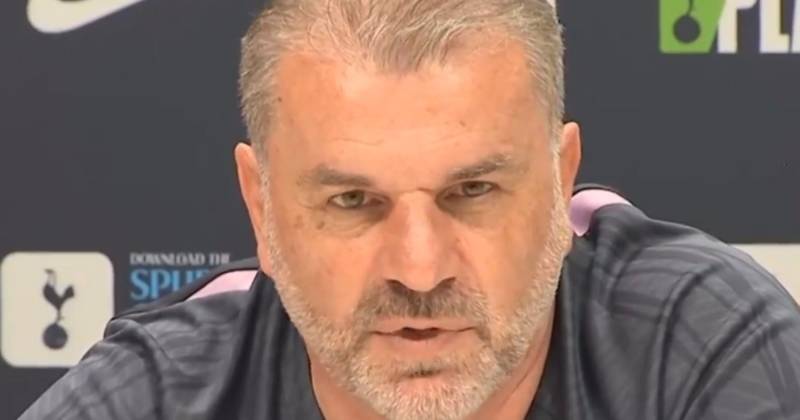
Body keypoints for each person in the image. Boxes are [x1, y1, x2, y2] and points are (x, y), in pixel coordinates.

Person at [21, 0, 800, 419]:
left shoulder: (695, 341)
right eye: (353, 202)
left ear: (562, 180)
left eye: (473, 192)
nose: (420, 269)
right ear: (261, 208)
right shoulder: (163, 395)